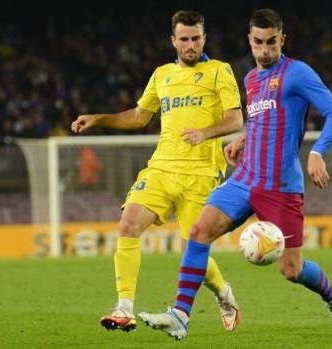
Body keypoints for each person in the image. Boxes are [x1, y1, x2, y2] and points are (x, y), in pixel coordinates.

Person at [138, 8, 332, 340]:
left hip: (280, 186)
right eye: (258, 43)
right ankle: (180, 315)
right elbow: (263, 120)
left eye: (271, 43)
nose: (264, 50)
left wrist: (316, 153)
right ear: (249, 41)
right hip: (244, 179)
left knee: (291, 270)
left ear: (282, 39)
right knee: (199, 232)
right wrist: (243, 139)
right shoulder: (251, 79)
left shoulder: (298, 74)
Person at [71, 10, 244, 333]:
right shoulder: (162, 74)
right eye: (184, 39)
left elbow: (236, 120)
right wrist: (99, 118)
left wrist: (205, 133)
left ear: (204, 39)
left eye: (195, 38)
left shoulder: (219, 71)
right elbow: (138, 117)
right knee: (128, 223)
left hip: (201, 174)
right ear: (173, 41)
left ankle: (223, 292)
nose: (190, 45)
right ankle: (124, 308)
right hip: (162, 167)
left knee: (194, 250)